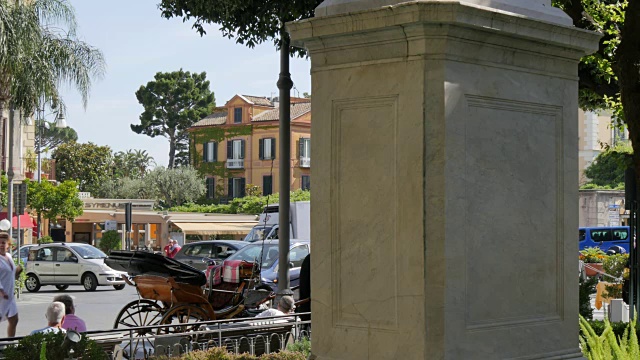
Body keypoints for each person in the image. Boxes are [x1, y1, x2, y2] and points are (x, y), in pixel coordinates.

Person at [0, 232, 19, 337]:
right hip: (1, 296)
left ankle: (10, 343)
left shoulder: (8, 256)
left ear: (8, 245)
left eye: (3, 243)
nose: (1, 245)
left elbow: (11, 272)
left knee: (14, 320)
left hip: (9, 296)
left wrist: (17, 271)